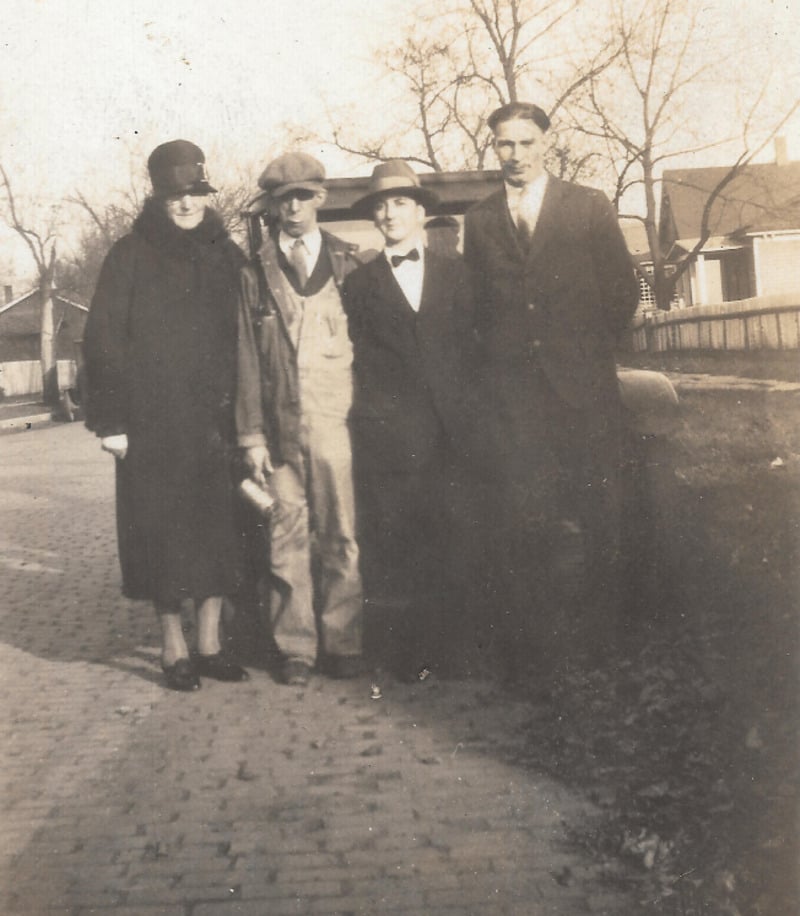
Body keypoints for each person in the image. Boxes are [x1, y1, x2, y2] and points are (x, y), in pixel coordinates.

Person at [463, 102, 640, 675]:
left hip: (584, 394)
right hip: (516, 401)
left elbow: (621, 291)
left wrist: (587, 357)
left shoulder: (586, 205)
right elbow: (477, 309)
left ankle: (603, 644)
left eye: (526, 142)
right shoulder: (481, 219)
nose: (515, 155)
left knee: (600, 516)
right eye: (505, 144)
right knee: (525, 522)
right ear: (494, 147)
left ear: (546, 143)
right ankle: (538, 652)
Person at [83, 140, 249, 691]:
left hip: (218, 425)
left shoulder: (227, 255)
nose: (186, 203)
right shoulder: (129, 255)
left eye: (196, 192)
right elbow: (103, 340)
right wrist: (111, 422)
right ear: (157, 197)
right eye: (175, 194)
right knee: (162, 536)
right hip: (153, 426)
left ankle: (210, 643)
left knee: (218, 532)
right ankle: (172, 646)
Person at [343, 160, 477, 679]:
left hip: (455, 433)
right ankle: (410, 653)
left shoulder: (459, 275)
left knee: (458, 535)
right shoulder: (359, 286)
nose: (390, 213)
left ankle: (461, 650)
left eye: (400, 202)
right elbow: (357, 362)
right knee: (402, 542)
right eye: (381, 206)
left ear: (421, 212)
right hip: (394, 437)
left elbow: (476, 352)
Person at [236, 152, 363, 687]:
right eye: (283, 199)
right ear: (273, 205)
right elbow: (246, 358)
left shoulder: (349, 263)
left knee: (341, 534)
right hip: (280, 429)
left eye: (303, 197)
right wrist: (252, 436)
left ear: (320, 199)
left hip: (337, 425)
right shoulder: (255, 273)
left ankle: (343, 642)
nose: (293, 208)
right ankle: (296, 649)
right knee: (286, 537)